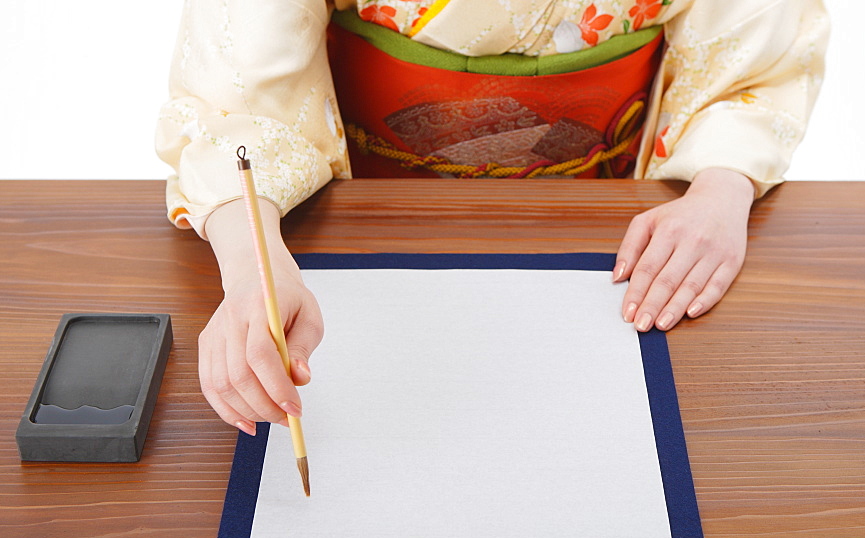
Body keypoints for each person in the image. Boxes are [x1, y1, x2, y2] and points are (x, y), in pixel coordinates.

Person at [156, 0, 829, 434]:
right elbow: (237, 103)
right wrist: (251, 264)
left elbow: (755, 66)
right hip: (363, 230)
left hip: (597, 238)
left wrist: (720, 189)